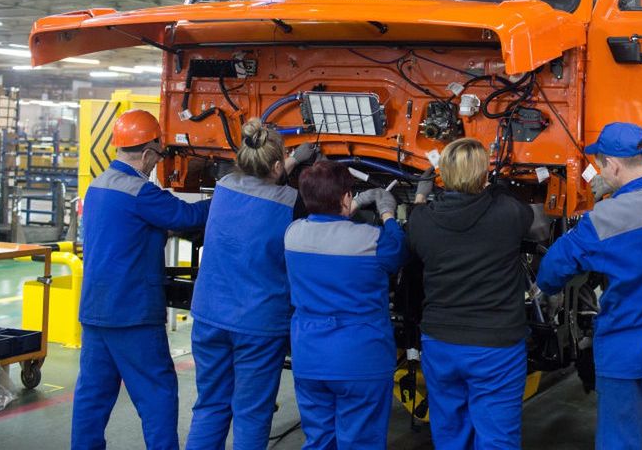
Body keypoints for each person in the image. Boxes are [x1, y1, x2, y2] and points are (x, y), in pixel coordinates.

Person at [536, 122, 642, 450]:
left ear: (611, 165)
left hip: (628, 353)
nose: (599, 170)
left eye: (601, 164)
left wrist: (549, 289)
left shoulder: (603, 220)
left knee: (621, 441)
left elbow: (552, 268)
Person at [72, 110, 211, 450]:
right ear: (148, 152)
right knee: (157, 393)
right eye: (158, 156)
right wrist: (230, 194)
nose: (155, 164)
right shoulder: (140, 192)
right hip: (132, 312)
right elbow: (189, 216)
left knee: (92, 397)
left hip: (96, 310)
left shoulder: (98, 186)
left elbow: (128, 233)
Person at [186, 120, 319, 449]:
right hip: (258, 324)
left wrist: (289, 161)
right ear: (276, 165)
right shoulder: (292, 203)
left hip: (209, 316)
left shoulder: (225, 186)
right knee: (251, 412)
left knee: (210, 405)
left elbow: (262, 180)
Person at [407, 138, 535, 449]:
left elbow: (414, 224)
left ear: (443, 175)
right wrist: (498, 185)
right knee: (497, 438)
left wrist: (420, 197)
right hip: (496, 347)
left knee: (449, 433)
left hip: (441, 345)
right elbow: (526, 214)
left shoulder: (421, 221)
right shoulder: (508, 214)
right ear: (483, 175)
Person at [284, 161, 407, 448]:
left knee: (319, 439)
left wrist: (345, 207)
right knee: (361, 441)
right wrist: (387, 212)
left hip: (310, 358)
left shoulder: (293, 235)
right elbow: (398, 250)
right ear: (346, 198)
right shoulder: (373, 241)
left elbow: (329, 226)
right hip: (360, 361)